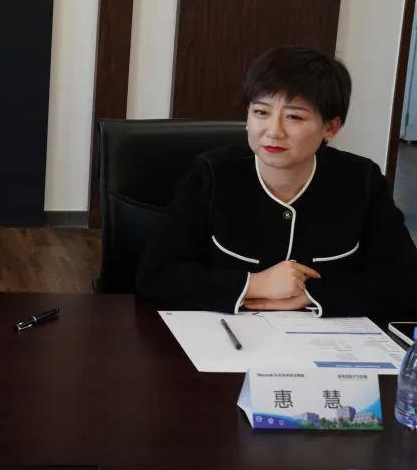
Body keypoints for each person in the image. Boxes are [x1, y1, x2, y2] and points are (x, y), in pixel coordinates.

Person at [137, 46, 416, 319]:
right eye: (261, 112)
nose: (273, 131)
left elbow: (406, 282)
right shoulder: (212, 173)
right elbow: (156, 276)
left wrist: (312, 294)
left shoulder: (361, 180)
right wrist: (256, 284)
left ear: (330, 128)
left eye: (294, 117)